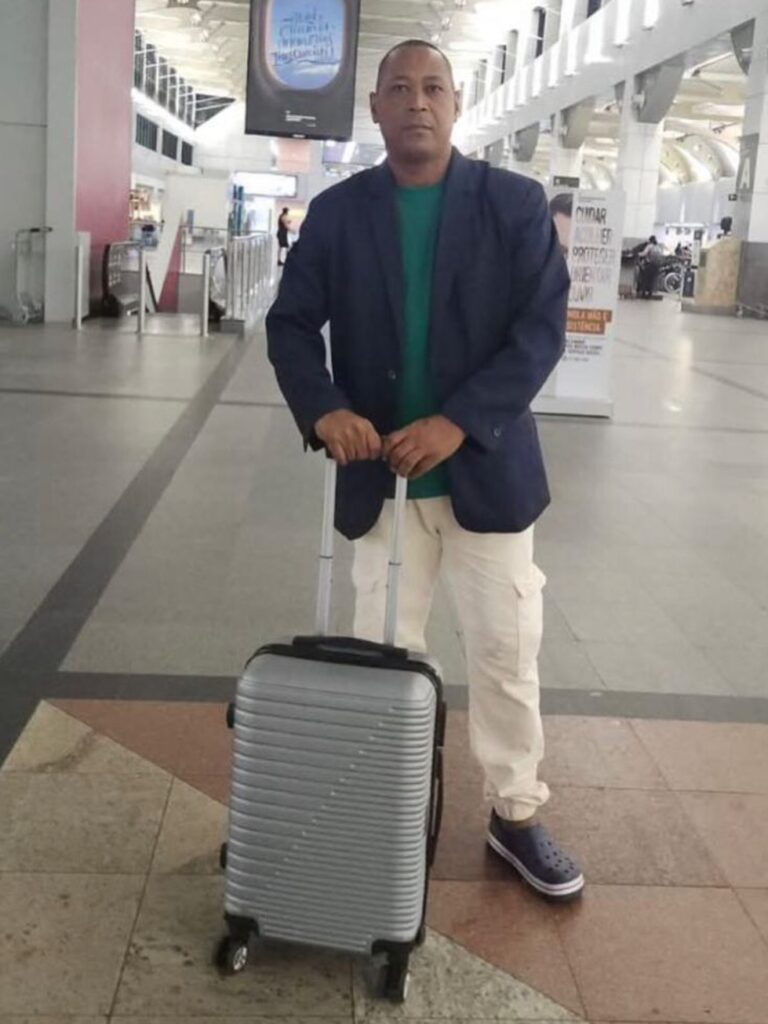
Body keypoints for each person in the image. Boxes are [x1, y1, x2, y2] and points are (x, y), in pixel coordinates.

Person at [266, 40, 583, 902]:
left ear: (456, 102)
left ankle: (516, 813)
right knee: (383, 654)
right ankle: (382, 804)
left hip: (487, 476)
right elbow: (290, 324)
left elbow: (541, 330)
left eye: (433, 87)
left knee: (506, 652)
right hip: (383, 481)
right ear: (374, 107)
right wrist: (324, 408)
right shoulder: (340, 213)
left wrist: (457, 422)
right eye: (400, 89)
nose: (418, 101)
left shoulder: (512, 205)